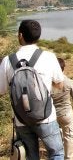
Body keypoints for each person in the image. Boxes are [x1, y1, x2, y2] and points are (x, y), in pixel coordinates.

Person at [0, 20, 64, 159]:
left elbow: (1, 90)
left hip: (21, 119)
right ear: (38, 37)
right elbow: (60, 84)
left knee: (30, 156)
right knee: (56, 153)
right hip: (46, 117)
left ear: (20, 35)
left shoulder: (7, 61)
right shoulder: (49, 57)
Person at [52, 58, 73, 160]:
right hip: (66, 112)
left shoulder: (48, 82)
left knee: (55, 135)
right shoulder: (69, 81)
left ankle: (57, 155)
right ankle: (68, 157)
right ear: (63, 68)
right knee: (68, 135)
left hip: (52, 114)